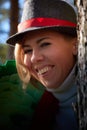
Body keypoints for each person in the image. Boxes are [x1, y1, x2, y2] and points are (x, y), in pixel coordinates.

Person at [6, 0, 79, 130]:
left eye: (45, 44)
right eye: (27, 50)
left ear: (76, 45)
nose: (34, 58)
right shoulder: (33, 110)